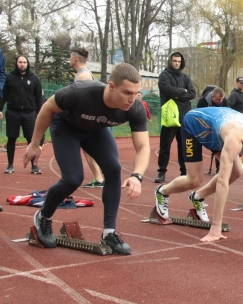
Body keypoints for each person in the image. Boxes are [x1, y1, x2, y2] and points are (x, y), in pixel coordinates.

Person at [22, 63, 150, 255]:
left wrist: (137, 175)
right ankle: (44, 217)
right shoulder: (81, 93)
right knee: (73, 178)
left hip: (95, 131)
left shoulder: (135, 108)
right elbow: (47, 107)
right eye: (127, 93)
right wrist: (34, 143)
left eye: (136, 93)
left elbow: (143, 147)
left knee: (114, 169)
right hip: (66, 127)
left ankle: (109, 232)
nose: (132, 99)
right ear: (111, 86)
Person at [153, 107, 243, 242]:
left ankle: (198, 197)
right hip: (195, 125)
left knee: (236, 171)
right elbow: (222, 182)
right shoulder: (235, 140)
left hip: (218, 133)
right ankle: (162, 191)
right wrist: (216, 227)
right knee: (195, 180)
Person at [155, 52, 196, 183]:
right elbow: (168, 90)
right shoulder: (164, 75)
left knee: (183, 146)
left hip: (183, 116)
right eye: (174, 61)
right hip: (169, 117)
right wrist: (181, 91)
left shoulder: (185, 77)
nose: (177, 63)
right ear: (170, 61)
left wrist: (178, 94)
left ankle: (184, 171)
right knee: (165, 146)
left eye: (179, 61)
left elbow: (192, 93)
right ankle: (161, 172)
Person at [68, 47, 106, 188]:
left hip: (87, 120)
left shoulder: (84, 76)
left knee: (90, 149)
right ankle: (102, 176)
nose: (69, 60)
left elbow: (84, 101)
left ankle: (100, 178)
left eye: (70, 57)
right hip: (87, 119)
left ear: (75, 58)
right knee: (91, 149)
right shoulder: (82, 74)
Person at [0, 56, 43, 174]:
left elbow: (38, 97)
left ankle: (34, 166)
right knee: (11, 138)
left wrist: (40, 112)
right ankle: (10, 165)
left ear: (27, 64)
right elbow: (3, 95)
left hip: (29, 113)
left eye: (24, 62)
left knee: (31, 139)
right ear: (16, 63)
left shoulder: (34, 78)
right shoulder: (9, 78)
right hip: (13, 112)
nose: (22, 64)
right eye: (20, 62)